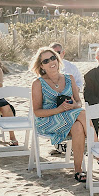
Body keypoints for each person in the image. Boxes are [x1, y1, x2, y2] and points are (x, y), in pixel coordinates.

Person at [30, 47, 87, 183]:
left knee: (78, 127)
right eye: (46, 60)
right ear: (41, 66)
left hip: (70, 117)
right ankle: (98, 149)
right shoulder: (38, 83)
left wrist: (73, 106)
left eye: (53, 57)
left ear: (58, 59)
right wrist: (60, 109)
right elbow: (37, 112)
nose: (51, 62)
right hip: (47, 121)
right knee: (82, 113)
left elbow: (79, 102)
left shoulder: (69, 78)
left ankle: (78, 170)